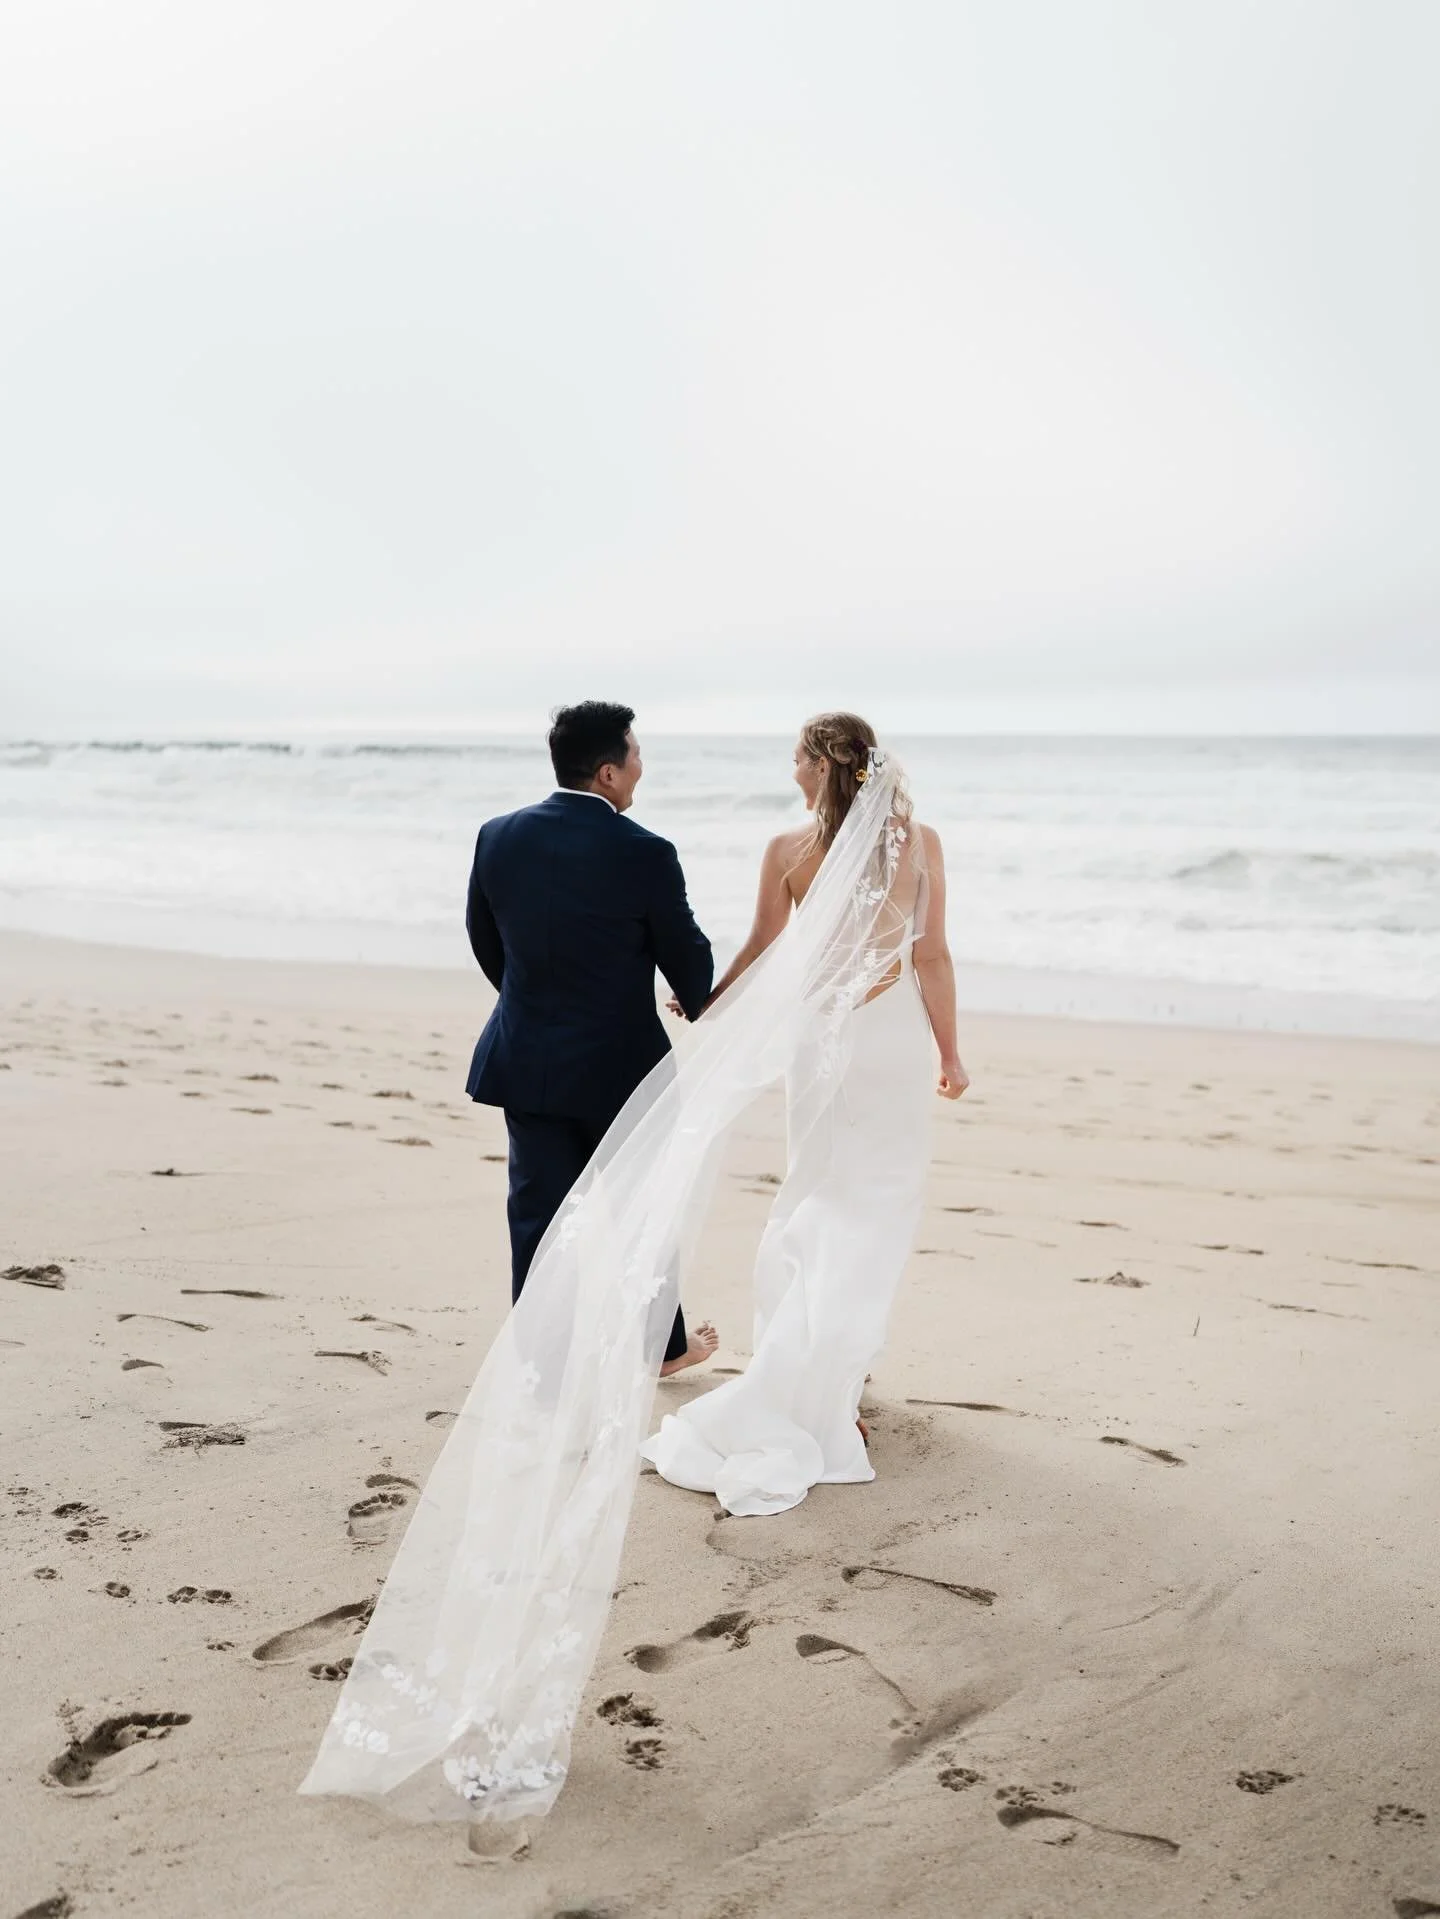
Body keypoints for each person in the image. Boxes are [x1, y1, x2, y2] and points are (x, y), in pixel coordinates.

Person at [301, 716, 967, 1826]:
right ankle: (794, 1366)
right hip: (807, 1043)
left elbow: (507, 938)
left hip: (613, 1042)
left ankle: (577, 1346)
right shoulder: (881, 841)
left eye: (798, 757)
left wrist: (654, 1007)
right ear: (613, 767)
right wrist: (941, 1046)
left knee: (614, 1204)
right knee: (809, 1210)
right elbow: (880, 953)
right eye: (640, 754)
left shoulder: (532, 835)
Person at [643, 711, 967, 1514]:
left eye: (797, 756)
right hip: (893, 1042)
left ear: (824, 765)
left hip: (821, 1042)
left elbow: (760, 947)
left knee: (816, 1194)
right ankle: (839, 1373)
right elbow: (930, 956)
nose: (790, 768)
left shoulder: (787, 851)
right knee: (876, 1208)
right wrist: (951, 1054)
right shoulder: (920, 843)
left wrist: (710, 1004)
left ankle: (821, 1370)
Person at [463, 699, 719, 1375]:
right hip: (622, 1066)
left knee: (537, 1219)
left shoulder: (498, 835)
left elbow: (487, 944)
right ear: (608, 771)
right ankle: (662, 1350)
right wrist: (695, 1000)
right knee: (645, 1209)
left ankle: (542, 1369)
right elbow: (686, 952)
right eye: (635, 755)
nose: (640, 767)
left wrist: (537, 1004)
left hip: (529, 1058)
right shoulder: (644, 850)